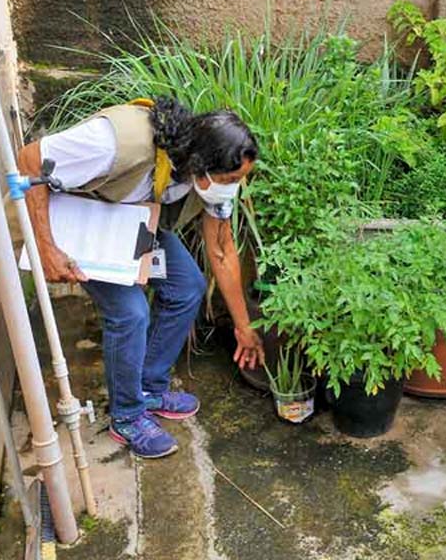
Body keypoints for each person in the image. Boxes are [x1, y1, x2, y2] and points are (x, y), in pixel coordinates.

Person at [18, 97, 264, 458]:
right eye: (229, 179)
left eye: (239, 179)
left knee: (187, 287)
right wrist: (46, 246)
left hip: (128, 221)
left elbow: (223, 250)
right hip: (77, 222)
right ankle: (127, 416)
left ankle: (148, 386)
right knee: (131, 313)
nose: (232, 187)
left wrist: (244, 327)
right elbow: (29, 160)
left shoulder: (211, 176)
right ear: (200, 164)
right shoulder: (116, 142)